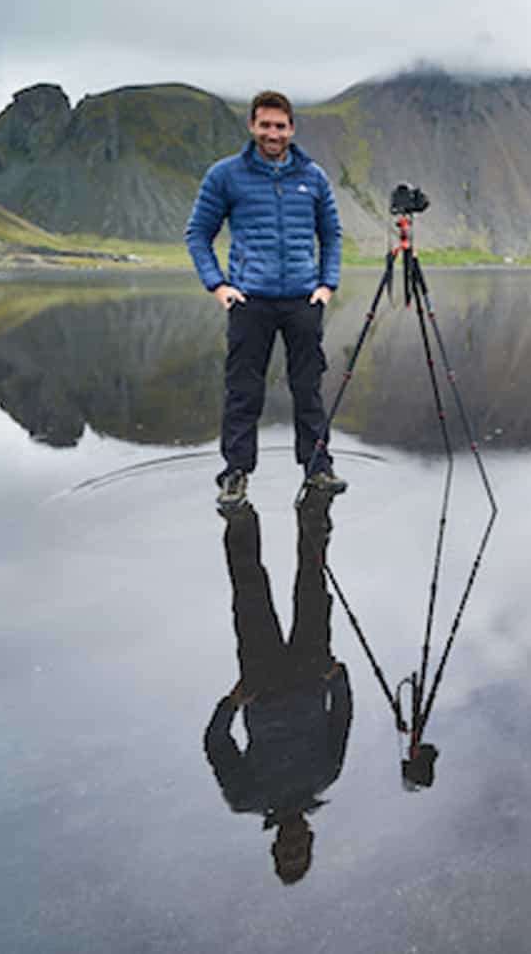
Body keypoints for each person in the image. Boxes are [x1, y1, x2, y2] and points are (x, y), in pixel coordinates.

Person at [185, 90, 347, 508]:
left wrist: (326, 286)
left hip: (302, 301)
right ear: (252, 126)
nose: (272, 133)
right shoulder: (225, 176)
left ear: (291, 129)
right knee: (243, 392)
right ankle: (235, 475)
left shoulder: (313, 177)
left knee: (308, 388)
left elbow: (330, 235)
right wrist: (218, 287)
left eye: (280, 126)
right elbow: (197, 234)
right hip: (249, 301)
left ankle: (318, 469)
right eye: (265, 125)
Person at [203, 498, 351, 885]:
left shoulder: (245, 797)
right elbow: (341, 719)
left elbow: (217, 744)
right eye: (299, 851)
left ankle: (240, 519)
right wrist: (337, 678)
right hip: (311, 672)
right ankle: (313, 512)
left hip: (261, 682)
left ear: (274, 849)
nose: (292, 845)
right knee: (312, 585)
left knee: (249, 588)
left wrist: (232, 703)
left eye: (286, 852)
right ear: (310, 841)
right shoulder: (327, 774)